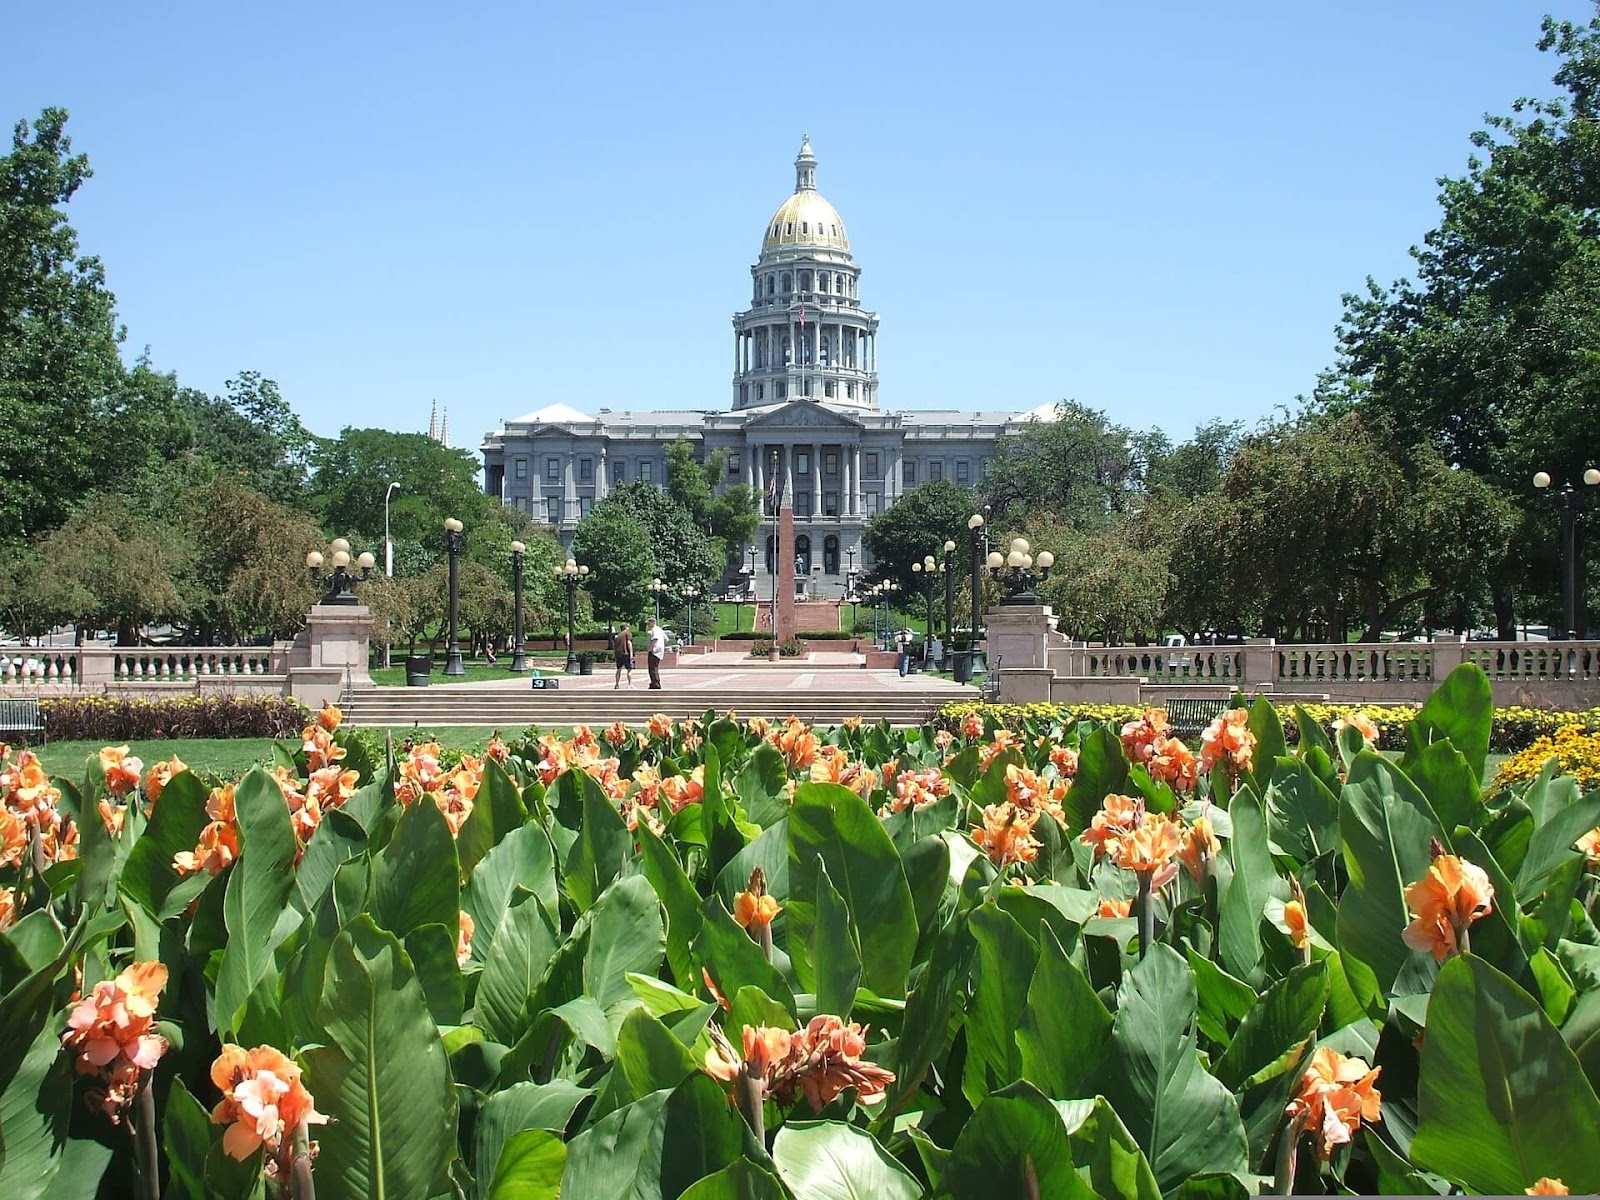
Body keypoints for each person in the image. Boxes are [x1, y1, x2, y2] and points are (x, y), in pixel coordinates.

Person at [645, 617, 667, 690]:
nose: (648, 625)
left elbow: (655, 639)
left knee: (652, 668)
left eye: (648, 623)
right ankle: (654, 682)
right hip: (659, 651)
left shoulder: (654, 630)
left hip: (654, 651)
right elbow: (666, 639)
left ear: (652, 622)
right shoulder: (659, 629)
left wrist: (650, 648)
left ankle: (656, 684)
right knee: (654, 667)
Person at [614, 622, 635, 689]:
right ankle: (629, 684)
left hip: (618, 654)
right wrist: (631, 654)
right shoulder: (627, 633)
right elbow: (629, 643)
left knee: (618, 669)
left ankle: (617, 684)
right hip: (626, 654)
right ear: (626, 627)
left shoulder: (618, 635)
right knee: (629, 669)